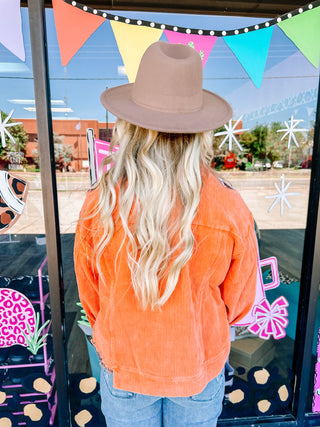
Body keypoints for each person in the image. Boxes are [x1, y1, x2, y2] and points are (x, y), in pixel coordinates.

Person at [74, 41, 258, 427]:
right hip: (197, 367)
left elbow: (92, 298)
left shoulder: (101, 202)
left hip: (125, 365)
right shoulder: (229, 207)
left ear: (132, 125)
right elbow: (240, 304)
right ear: (200, 131)